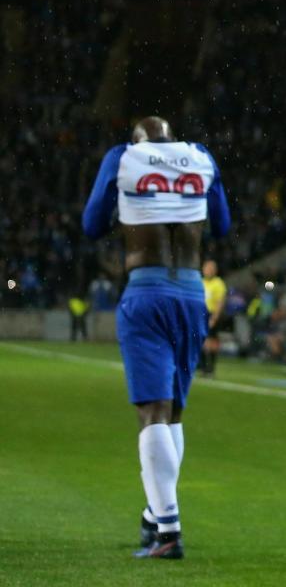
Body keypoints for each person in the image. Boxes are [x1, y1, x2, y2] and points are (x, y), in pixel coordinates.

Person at [81, 115, 232, 559]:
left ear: (138, 141)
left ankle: (168, 531)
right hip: (190, 294)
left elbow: (92, 225)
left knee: (152, 412)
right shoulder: (200, 157)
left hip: (146, 292)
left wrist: (124, 205)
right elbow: (222, 226)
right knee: (174, 413)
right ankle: (155, 512)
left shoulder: (123, 157)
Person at [201, 260, 227, 375]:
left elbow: (220, 302)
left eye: (211, 268)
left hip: (212, 314)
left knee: (212, 341)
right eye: (207, 268)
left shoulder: (218, 283)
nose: (208, 270)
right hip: (201, 313)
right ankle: (204, 367)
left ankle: (211, 367)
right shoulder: (201, 282)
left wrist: (214, 318)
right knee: (202, 341)